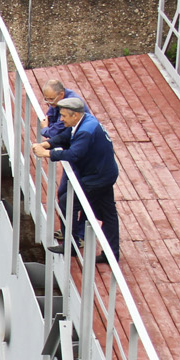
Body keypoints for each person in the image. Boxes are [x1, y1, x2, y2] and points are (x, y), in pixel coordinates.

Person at [33, 97, 120, 263]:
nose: (61, 119)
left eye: (64, 116)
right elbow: (65, 136)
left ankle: (71, 246)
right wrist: (48, 144)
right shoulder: (84, 120)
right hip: (105, 172)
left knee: (68, 202)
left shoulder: (85, 132)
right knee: (109, 214)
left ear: (75, 116)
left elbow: (74, 154)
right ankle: (112, 255)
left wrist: (48, 154)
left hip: (98, 178)